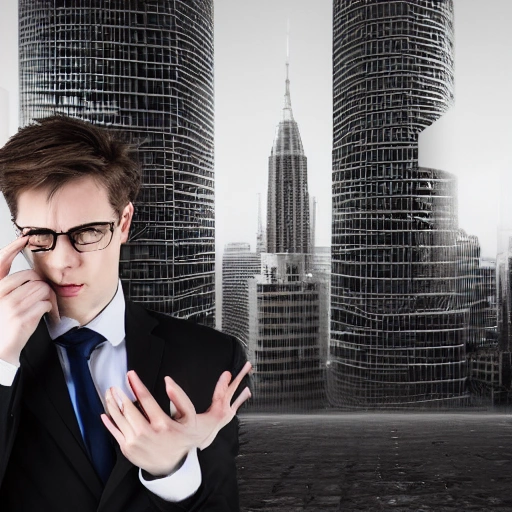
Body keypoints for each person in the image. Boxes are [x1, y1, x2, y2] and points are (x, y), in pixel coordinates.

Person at [0, 115, 251, 512]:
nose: (63, 261)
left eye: (87, 233)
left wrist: (173, 473)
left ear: (124, 222)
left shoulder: (209, 356)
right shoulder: (3, 357)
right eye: (40, 237)